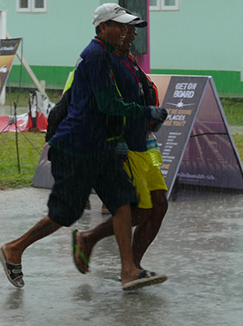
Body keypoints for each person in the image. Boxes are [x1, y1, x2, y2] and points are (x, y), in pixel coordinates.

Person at [0, 3, 168, 291]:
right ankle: (14, 248)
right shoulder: (96, 56)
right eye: (120, 26)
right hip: (78, 148)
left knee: (123, 203)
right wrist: (145, 112)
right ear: (102, 27)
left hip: (102, 147)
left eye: (128, 27)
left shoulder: (109, 54)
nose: (126, 31)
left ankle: (128, 271)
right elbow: (107, 104)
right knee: (65, 214)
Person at [73, 14, 170, 275]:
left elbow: (139, 93)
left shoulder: (128, 59)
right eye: (126, 29)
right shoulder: (104, 62)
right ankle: (90, 239)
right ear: (109, 30)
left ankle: (134, 266)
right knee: (138, 210)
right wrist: (112, 140)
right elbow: (99, 106)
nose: (132, 35)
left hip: (143, 145)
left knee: (159, 203)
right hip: (122, 145)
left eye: (133, 30)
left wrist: (151, 115)